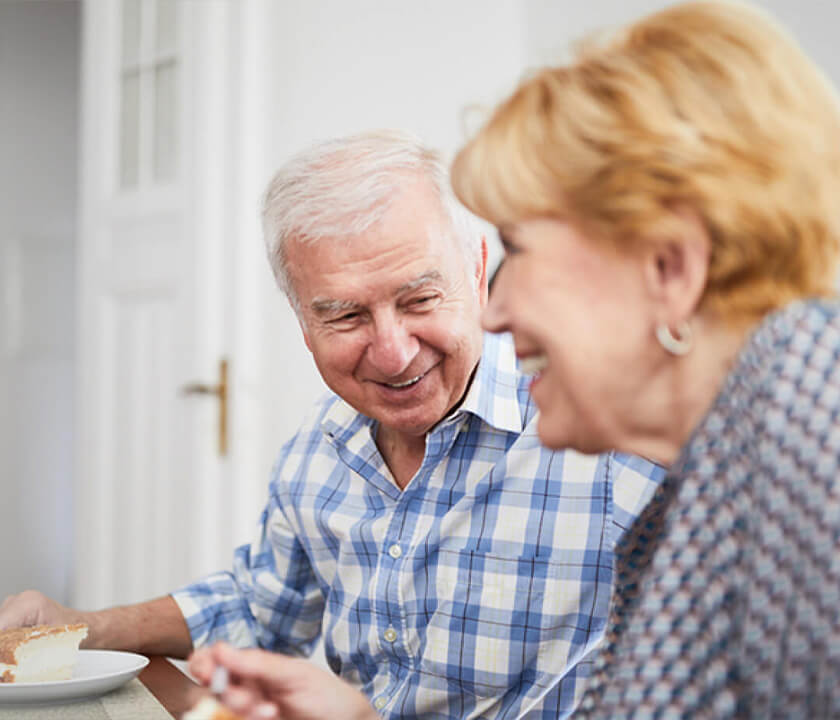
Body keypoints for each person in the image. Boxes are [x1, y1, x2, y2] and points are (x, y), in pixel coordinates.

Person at [190, 2, 840, 718]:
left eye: (520, 251)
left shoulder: (809, 432)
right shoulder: (722, 465)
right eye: (345, 313)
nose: (494, 311)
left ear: (669, 267)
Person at [0, 131, 663, 719]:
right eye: (345, 317)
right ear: (302, 320)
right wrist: (80, 628)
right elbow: (260, 608)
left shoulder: (607, 433)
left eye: (420, 299)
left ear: (479, 273)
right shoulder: (320, 449)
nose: (394, 351)